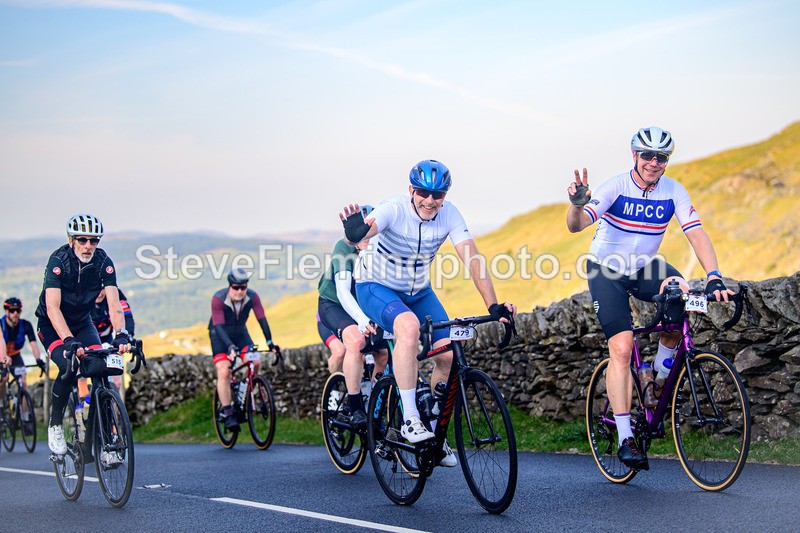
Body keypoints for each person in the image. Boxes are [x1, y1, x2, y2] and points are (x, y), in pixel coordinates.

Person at [566, 126, 732, 469]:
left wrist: (714, 276)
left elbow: (695, 232)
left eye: (662, 157)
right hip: (606, 271)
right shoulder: (615, 186)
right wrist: (576, 205)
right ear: (635, 156)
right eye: (648, 156)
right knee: (622, 348)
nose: (654, 163)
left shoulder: (673, 191)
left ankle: (656, 376)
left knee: (683, 297)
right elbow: (577, 224)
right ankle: (627, 436)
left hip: (646, 268)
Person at [340, 159, 516, 467]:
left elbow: (472, 258)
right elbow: (364, 231)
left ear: (445, 195)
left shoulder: (449, 214)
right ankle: (409, 418)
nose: (430, 201)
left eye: (438, 194)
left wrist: (493, 305)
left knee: (447, 355)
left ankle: (435, 437)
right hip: (375, 287)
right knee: (407, 328)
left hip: (419, 292)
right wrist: (355, 233)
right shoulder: (394, 208)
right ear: (411, 190)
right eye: (423, 192)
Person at [36, 214, 132, 457]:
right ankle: (55, 424)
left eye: (93, 240)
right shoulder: (59, 261)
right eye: (82, 240)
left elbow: (114, 304)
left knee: (102, 367)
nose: (88, 245)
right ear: (71, 240)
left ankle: (107, 442)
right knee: (69, 365)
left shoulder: (103, 262)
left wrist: (121, 334)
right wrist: (68, 340)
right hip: (51, 324)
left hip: (82, 322)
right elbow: (52, 307)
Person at [317, 206, 389, 428]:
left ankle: (373, 398)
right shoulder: (344, 247)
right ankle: (356, 406)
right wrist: (362, 321)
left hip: (364, 304)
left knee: (384, 352)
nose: (368, 240)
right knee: (356, 343)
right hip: (334, 304)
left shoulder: (382, 249)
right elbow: (343, 292)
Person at [209, 268, 280, 431]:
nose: (240, 291)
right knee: (224, 371)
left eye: (243, 287)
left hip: (241, 334)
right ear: (229, 286)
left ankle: (243, 394)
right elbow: (218, 326)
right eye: (236, 287)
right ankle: (228, 412)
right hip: (220, 336)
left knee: (255, 362)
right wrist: (229, 347)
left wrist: (270, 342)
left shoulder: (252, 297)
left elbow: (262, 319)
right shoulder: (218, 298)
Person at [91, 286, 135, 391]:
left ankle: (112, 402)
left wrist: (128, 337)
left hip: (107, 339)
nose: (100, 294)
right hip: (87, 339)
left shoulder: (115, 293)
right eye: (96, 289)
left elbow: (127, 317)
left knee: (117, 382)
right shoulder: (83, 296)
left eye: (102, 289)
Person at [2, 298, 47, 392]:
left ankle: (24, 406)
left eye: (18, 310)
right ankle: (1, 403)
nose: (15, 313)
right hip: (2, 356)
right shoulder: (1, 325)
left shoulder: (26, 325)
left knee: (24, 383)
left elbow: (33, 344)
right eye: (12, 310)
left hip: (15, 357)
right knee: (3, 379)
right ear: (6, 311)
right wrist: (3, 359)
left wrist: (38, 359)